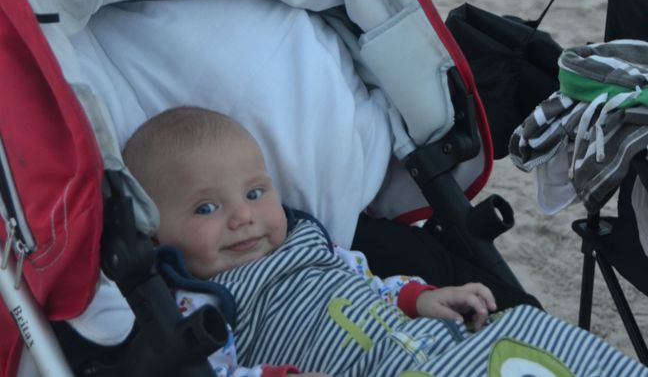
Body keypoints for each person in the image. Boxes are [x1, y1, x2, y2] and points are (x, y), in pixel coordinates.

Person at [122, 107, 648, 377]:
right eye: (206, 208)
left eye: (256, 192)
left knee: (526, 333)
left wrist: (419, 297)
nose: (243, 217)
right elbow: (217, 371)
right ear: (154, 229)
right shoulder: (193, 303)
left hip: (420, 341)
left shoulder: (304, 241)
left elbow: (364, 280)